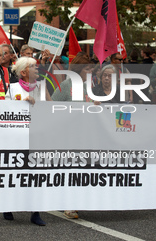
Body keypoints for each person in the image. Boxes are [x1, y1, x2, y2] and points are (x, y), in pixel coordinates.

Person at [3, 57, 48, 226]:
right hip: (17, 138)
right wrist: (21, 103)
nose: (37, 68)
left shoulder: (42, 87)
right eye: (33, 66)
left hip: (37, 136)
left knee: (36, 175)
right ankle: (8, 205)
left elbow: (51, 108)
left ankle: (36, 212)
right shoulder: (12, 88)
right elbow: (5, 110)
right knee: (15, 173)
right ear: (23, 72)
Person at [51, 54, 93, 219]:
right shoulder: (65, 85)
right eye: (88, 68)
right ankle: (68, 204)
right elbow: (52, 106)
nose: (91, 72)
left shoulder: (85, 87)